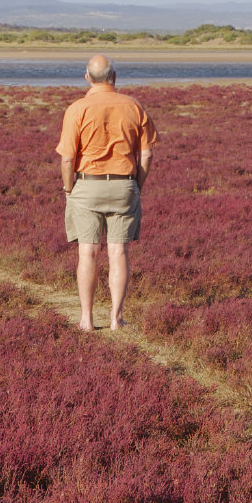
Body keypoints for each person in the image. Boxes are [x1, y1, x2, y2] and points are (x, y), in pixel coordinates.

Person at [55, 55, 157, 331]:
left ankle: (86, 319)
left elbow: (67, 159)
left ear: (87, 77)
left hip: (86, 186)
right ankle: (116, 318)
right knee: (118, 252)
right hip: (124, 185)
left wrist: (68, 189)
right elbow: (146, 154)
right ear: (115, 76)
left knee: (87, 253)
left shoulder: (77, 109)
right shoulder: (134, 106)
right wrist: (137, 184)